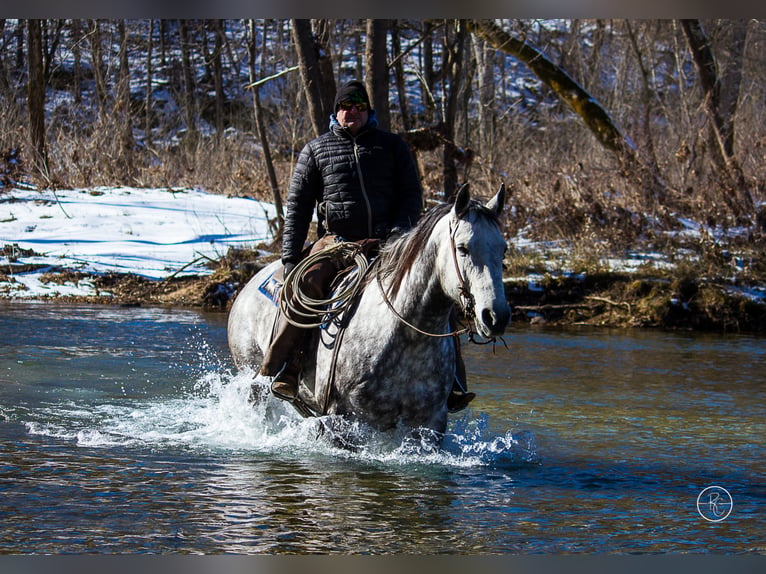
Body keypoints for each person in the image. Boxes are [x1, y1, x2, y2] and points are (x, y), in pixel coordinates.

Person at [259, 79, 474, 413]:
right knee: (308, 284)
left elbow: (411, 195)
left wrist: (399, 234)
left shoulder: (393, 146)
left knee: (437, 291)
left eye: (360, 107)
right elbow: (298, 208)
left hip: (390, 242)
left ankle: (453, 380)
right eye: (347, 107)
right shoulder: (316, 150)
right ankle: (287, 366)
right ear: (336, 111)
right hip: (337, 244)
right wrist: (290, 259)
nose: (353, 113)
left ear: (369, 111)